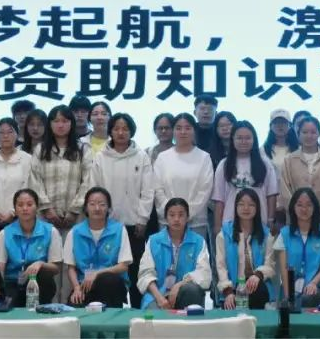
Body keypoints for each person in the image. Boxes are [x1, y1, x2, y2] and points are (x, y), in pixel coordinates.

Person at [89, 112, 154, 308]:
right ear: (110, 131)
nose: (120, 132)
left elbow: (148, 190)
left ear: (131, 131)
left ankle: (137, 312)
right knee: (111, 273)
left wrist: (142, 219)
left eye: (125, 129)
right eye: (116, 128)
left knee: (135, 271)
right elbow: (95, 188)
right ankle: (113, 310)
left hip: (135, 225)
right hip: (108, 226)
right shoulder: (101, 157)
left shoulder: (141, 156)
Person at [0, 189, 62, 306]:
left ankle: (40, 310)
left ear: (36, 207)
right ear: (15, 209)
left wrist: (40, 264)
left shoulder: (50, 231)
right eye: (20, 205)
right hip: (12, 282)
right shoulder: (5, 233)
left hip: (37, 283)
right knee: (5, 305)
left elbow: (56, 268)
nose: (25, 208)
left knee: (44, 276)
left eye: (29, 204)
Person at [65, 187, 133, 308]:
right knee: (74, 309)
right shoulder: (75, 232)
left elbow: (123, 266)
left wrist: (97, 274)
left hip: (112, 286)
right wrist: (76, 288)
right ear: (86, 208)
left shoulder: (119, 230)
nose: (97, 208)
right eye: (92, 204)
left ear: (108, 208)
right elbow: (71, 268)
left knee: (108, 280)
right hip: (84, 286)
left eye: (102, 204)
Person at [138, 198, 212, 309]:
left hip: (185, 293)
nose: (176, 219)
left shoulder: (198, 242)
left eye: (181, 215)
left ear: (187, 217)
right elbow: (145, 274)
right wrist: (160, 298)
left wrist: (179, 285)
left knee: (192, 290)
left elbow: (204, 274)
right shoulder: (154, 241)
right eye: (172, 215)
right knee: (154, 315)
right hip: (158, 295)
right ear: (166, 218)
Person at [29, 105, 92, 234]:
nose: (60, 125)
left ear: (71, 123)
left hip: (76, 218)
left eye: (65, 121)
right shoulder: (40, 149)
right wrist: (47, 209)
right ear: (50, 124)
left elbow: (88, 181)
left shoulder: (83, 149)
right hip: (45, 217)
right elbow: (35, 181)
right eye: (56, 121)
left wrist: (74, 210)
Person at [153, 113, 214, 240]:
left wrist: (186, 214)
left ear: (194, 130)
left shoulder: (204, 157)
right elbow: (157, 189)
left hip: (196, 223)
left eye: (187, 128)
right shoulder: (163, 158)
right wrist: (171, 213)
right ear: (173, 131)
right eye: (178, 128)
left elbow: (205, 190)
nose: (183, 132)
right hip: (167, 222)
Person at [215, 189, 276, 309]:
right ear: (235, 207)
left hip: (257, 285)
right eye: (241, 204)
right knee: (232, 305)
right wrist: (228, 292)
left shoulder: (266, 234)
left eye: (251, 205)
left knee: (257, 289)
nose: (246, 208)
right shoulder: (224, 234)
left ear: (257, 208)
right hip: (233, 287)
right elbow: (221, 266)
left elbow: (270, 264)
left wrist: (258, 275)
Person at [212, 121, 279, 229]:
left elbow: (271, 195)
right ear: (232, 140)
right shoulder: (224, 164)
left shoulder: (265, 164)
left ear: (254, 140)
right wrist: (217, 225)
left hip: (260, 223)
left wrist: (271, 220)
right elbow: (219, 199)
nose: (243, 141)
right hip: (230, 224)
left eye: (248, 138)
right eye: (239, 138)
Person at [276, 188, 320, 307]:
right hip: (290, 289)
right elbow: (284, 270)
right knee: (290, 304)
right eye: (300, 205)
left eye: (309, 205)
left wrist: (313, 283)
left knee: (306, 299)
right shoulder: (284, 234)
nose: (304, 209)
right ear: (293, 207)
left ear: (315, 208)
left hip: (316, 287)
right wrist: (288, 297)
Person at [278, 117, 320, 227]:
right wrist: (298, 211)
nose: (309, 136)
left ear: (319, 133)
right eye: (305, 132)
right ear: (298, 134)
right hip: (295, 220)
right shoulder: (289, 160)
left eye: (313, 132)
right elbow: (284, 191)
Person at [262, 109, 298, 174]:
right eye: (276, 122)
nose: (280, 125)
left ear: (290, 126)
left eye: (283, 122)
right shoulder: (263, 150)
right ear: (270, 126)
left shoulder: (298, 149)